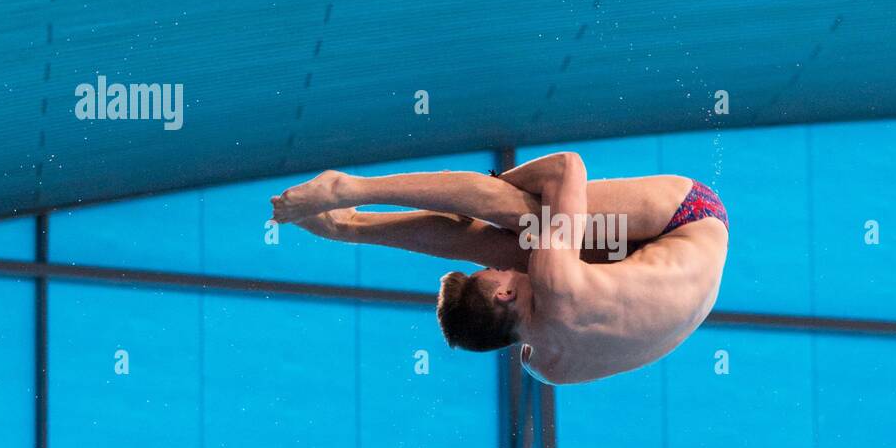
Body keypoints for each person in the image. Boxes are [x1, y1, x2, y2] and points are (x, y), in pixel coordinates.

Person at [270, 152, 728, 383]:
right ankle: (352, 193)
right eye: (489, 273)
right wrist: (491, 188)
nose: (494, 266)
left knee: (513, 238)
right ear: (504, 295)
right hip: (688, 218)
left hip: (667, 281)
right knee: (518, 214)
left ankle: (350, 229)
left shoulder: (546, 366)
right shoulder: (556, 282)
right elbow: (568, 167)